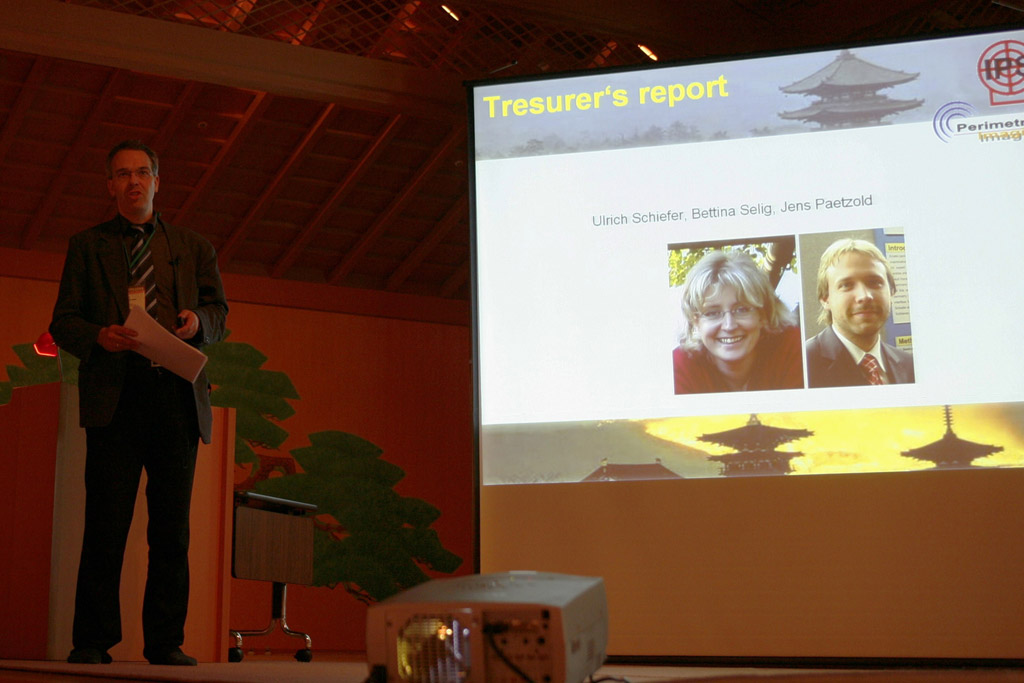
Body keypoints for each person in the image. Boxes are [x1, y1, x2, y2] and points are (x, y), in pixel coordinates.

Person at [50, 140, 228, 666]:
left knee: (171, 531)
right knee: (106, 524)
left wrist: (198, 322)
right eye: (124, 174)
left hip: (175, 397)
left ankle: (165, 642)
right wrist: (98, 336)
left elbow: (219, 312)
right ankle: (92, 640)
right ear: (110, 185)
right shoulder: (88, 246)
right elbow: (63, 321)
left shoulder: (193, 246)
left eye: (143, 172)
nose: (134, 182)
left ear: (157, 181)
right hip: (116, 399)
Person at [673, 249, 803, 394]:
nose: (729, 326)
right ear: (695, 322)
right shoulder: (679, 367)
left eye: (742, 310)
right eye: (712, 313)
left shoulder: (792, 347)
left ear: (763, 314)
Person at [805, 238, 914, 388]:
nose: (865, 296)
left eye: (875, 282)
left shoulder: (910, 365)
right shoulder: (803, 365)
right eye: (847, 285)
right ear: (825, 299)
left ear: (892, 292)